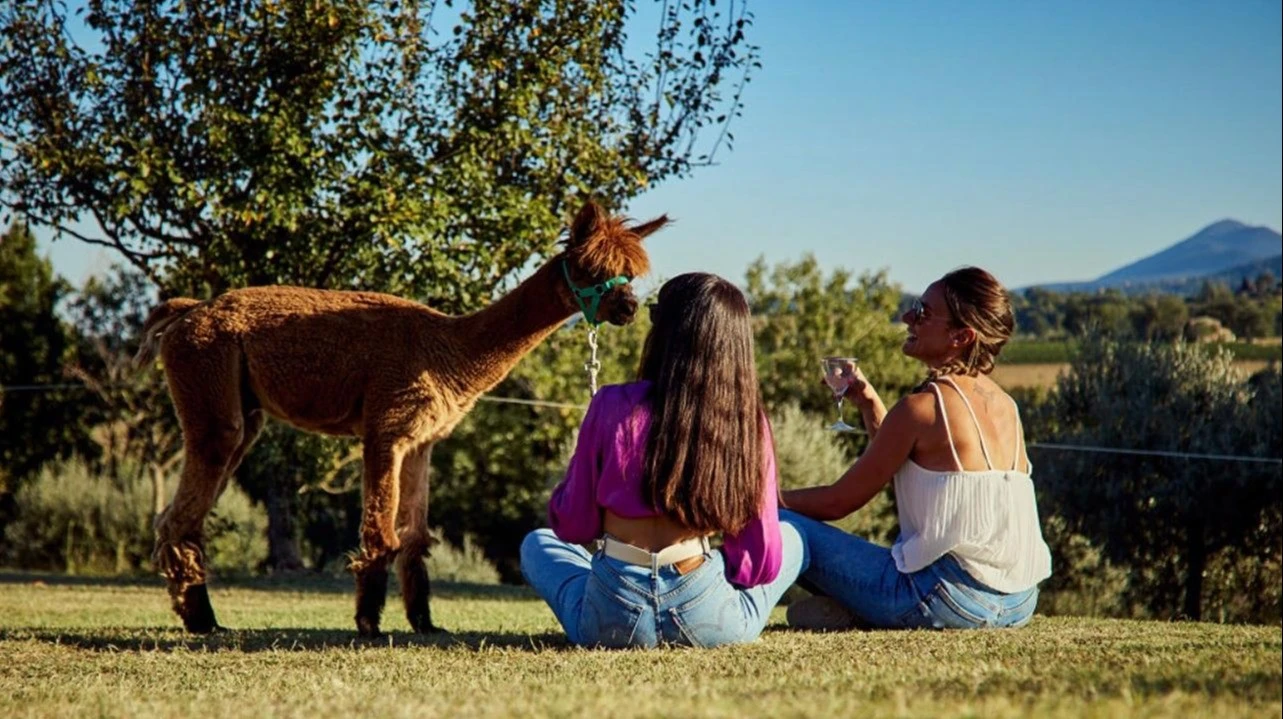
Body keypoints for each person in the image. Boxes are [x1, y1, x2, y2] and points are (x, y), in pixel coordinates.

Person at [520, 272, 803, 648]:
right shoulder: (749, 423)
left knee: (537, 543)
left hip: (613, 613)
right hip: (705, 609)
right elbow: (761, 562)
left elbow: (573, 527)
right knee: (795, 537)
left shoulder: (610, 404)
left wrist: (571, 490)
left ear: (664, 333)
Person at [781, 266, 1052, 630]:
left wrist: (755, 499)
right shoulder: (1006, 406)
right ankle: (858, 610)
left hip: (947, 600)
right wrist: (869, 403)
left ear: (961, 336)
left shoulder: (923, 408)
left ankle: (738, 609)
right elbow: (904, 465)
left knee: (783, 524)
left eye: (923, 312)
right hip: (1020, 602)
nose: (908, 317)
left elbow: (837, 502)